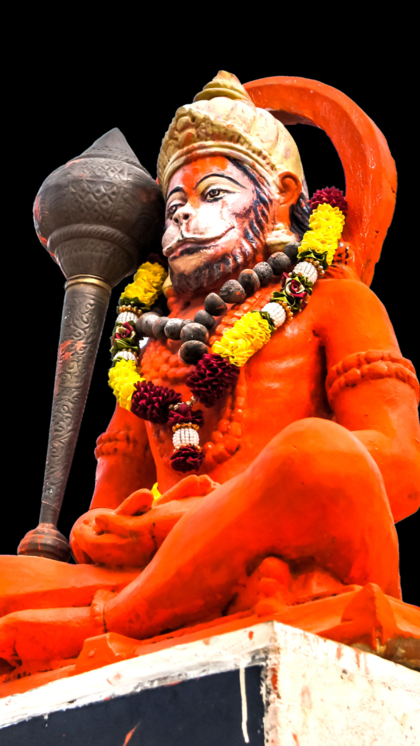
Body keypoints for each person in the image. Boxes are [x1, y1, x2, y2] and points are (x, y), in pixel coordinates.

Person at [1, 71, 419, 669]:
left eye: (212, 194)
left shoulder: (334, 301)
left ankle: (109, 623)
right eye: (174, 207)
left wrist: (198, 514)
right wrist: (103, 528)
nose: (184, 220)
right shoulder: (152, 344)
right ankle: (157, 601)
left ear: (281, 196)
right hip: (158, 561)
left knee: (318, 453)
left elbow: (399, 470)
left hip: (296, 541)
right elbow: (106, 508)